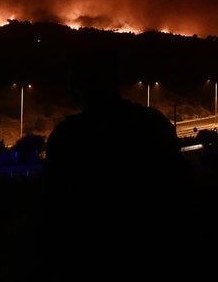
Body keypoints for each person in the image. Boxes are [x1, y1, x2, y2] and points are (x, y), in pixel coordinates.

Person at [39, 47, 192, 279]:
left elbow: (53, 207)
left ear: (75, 87)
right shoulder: (152, 124)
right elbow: (180, 188)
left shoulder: (68, 136)